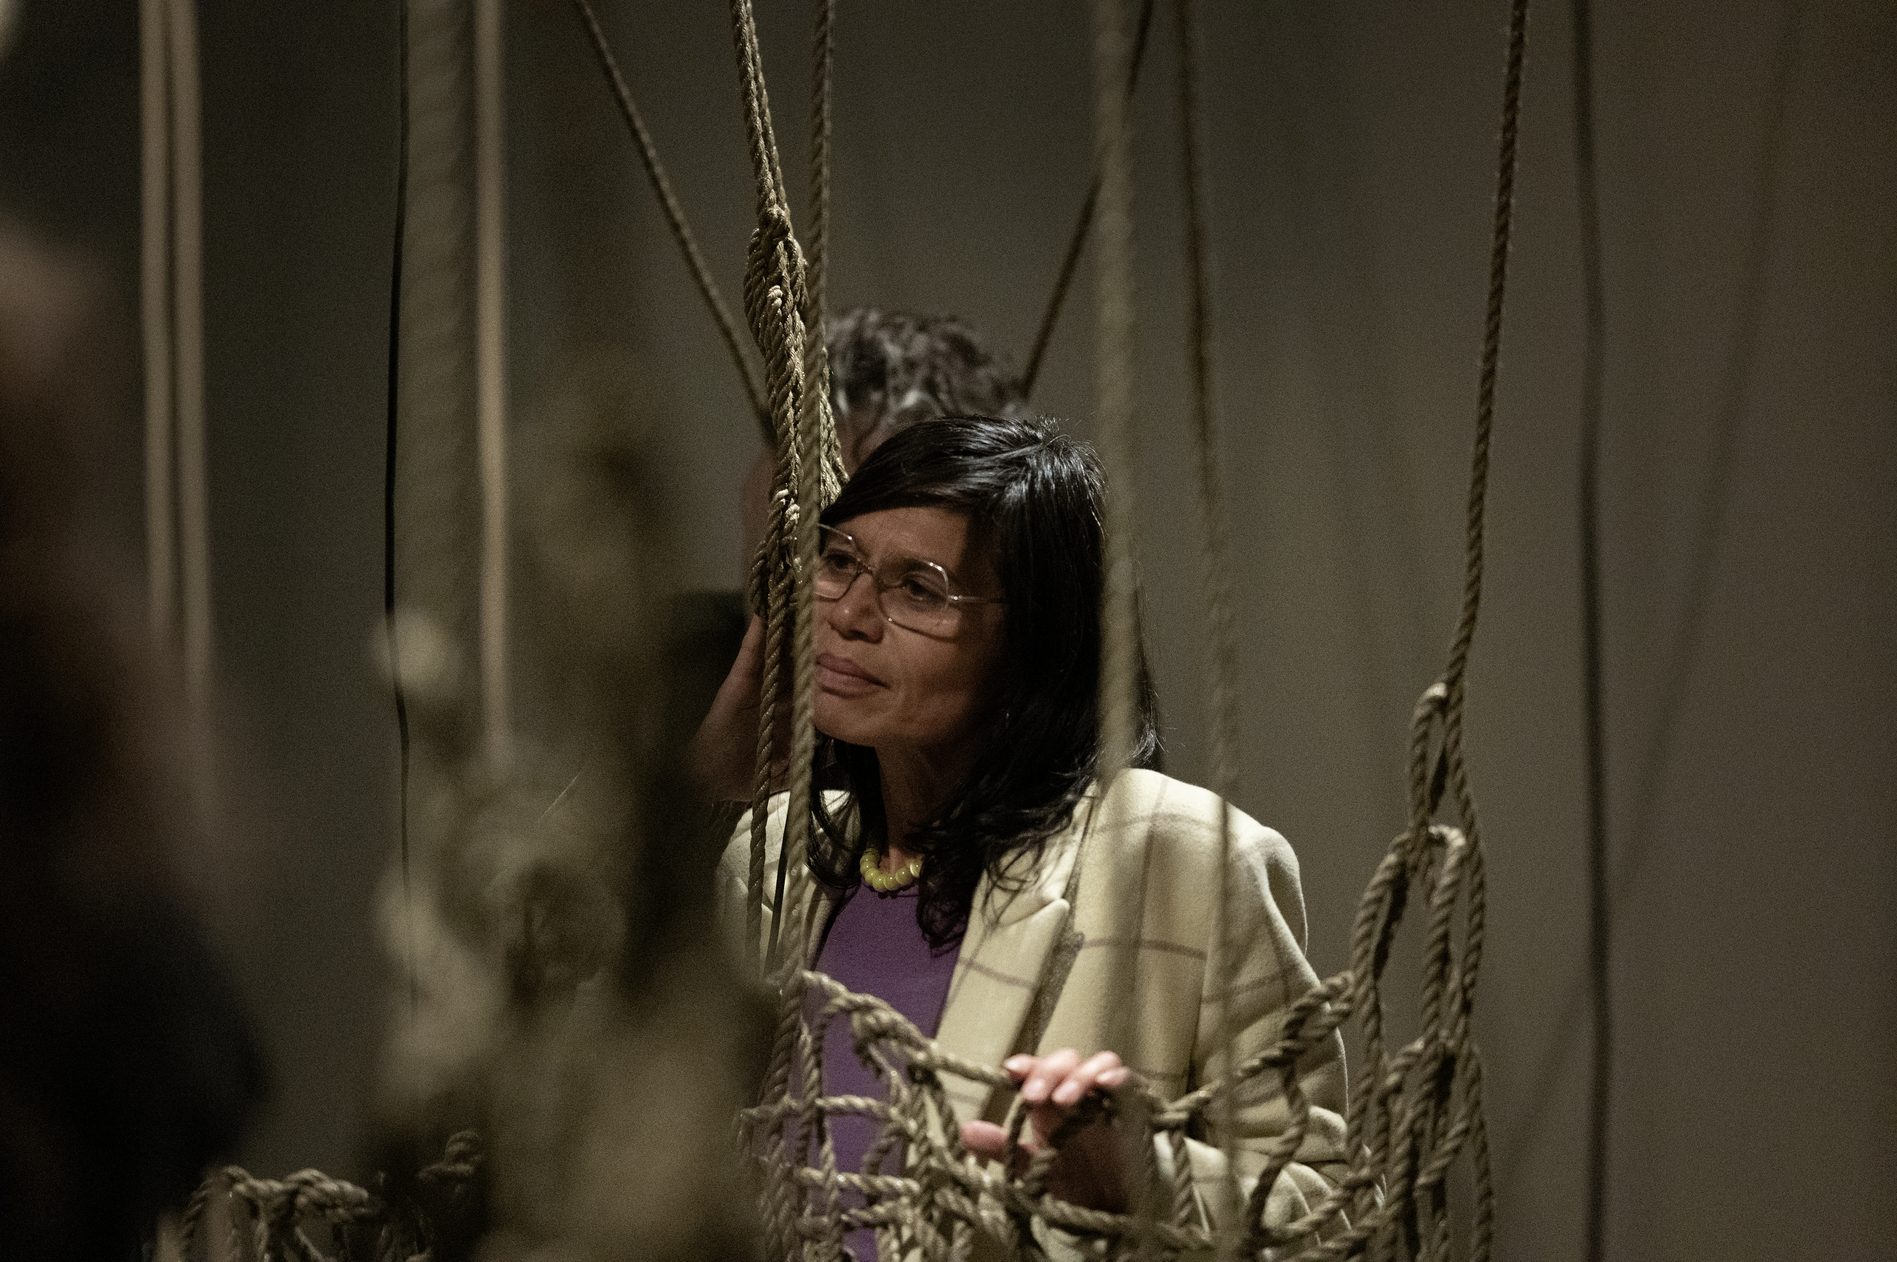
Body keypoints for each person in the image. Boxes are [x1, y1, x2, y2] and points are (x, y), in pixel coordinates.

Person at [697, 416, 1346, 1257]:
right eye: (838, 561)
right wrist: (706, 783)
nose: (849, 614)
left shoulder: (1182, 855)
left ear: (1034, 642)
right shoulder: (769, 854)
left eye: (917, 589)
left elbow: (1325, 1217)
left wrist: (1145, 1176)